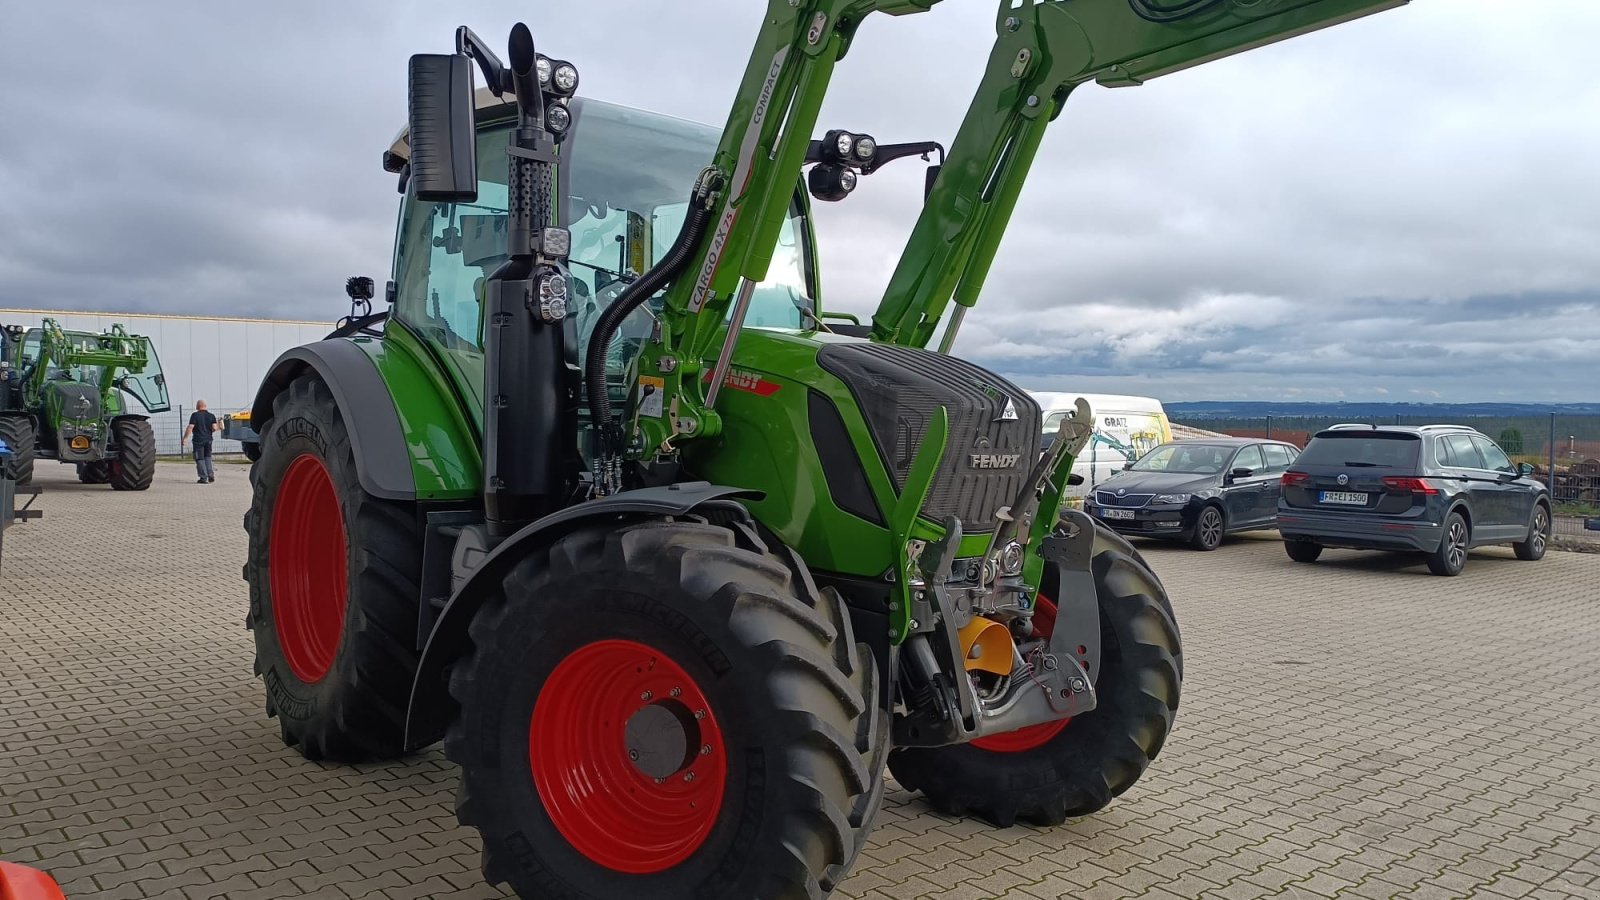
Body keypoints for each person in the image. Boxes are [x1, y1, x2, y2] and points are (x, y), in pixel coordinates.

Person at [182, 400, 220, 484]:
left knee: (200, 458)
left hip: (198, 440)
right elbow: (214, 428)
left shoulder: (195, 415)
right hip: (209, 440)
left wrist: (185, 438)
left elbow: (190, 427)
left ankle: (203, 477)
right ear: (205, 406)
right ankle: (210, 475)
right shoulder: (211, 416)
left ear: (197, 406)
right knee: (208, 457)